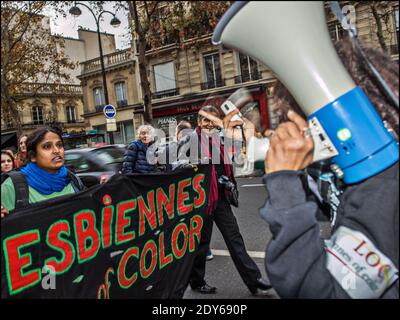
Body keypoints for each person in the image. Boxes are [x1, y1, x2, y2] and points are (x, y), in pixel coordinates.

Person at [257, 36, 399, 298]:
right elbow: (326, 210)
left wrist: (283, 180)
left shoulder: (381, 190)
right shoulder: (372, 176)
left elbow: (316, 290)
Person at [177, 105, 272, 295]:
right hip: (200, 199)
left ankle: (254, 281)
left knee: (234, 237)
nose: (209, 124)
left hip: (220, 198)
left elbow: (226, 165)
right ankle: (197, 281)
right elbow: (177, 165)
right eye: (205, 120)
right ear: (199, 122)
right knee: (201, 243)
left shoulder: (219, 140)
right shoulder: (190, 139)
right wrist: (193, 165)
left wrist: (229, 182)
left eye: (213, 120)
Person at [1, 127, 85, 218]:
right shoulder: (11, 187)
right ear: (33, 156)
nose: (57, 151)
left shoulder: (72, 179)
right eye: (47, 146)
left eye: (59, 145)